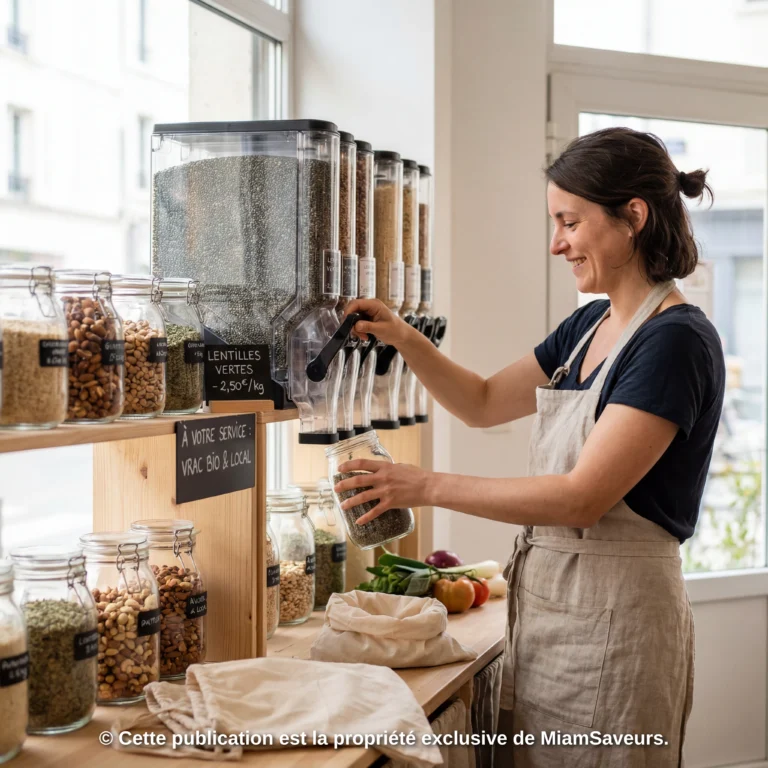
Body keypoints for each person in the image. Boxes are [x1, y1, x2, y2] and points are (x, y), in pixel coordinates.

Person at [335, 127, 726, 767]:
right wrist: (406, 338)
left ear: (633, 216)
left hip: (619, 618)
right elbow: (483, 401)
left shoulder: (674, 340)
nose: (556, 243)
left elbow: (581, 498)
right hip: (551, 613)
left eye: (569, 222)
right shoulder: (588, 325)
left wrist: (423, 485)